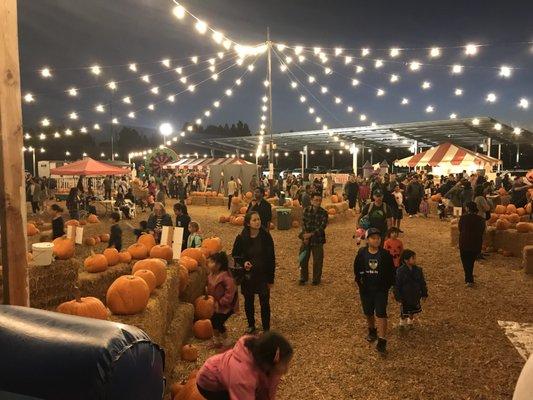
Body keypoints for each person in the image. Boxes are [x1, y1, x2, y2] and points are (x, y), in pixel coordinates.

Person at [196, 331, 293, 399]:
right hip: (209, 382)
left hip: (230, 374)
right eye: (284, 364)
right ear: (269, 362)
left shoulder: (266, 358)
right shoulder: (243, 378)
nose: (286, 370)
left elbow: (268, 391)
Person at [232, 212, 276, 333]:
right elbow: (235, 255)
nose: (258, 222)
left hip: (262, 274)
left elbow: (271, 258)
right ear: (248, 223)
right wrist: (243, 262)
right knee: (249, 300)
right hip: (248, 275)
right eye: (254, 220)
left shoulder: (266, 236)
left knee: (264, 302)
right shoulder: (241, 237)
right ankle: (251, 325)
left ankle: (266, 328)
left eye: (258, 219)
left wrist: (270, 279)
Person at [353, 228, 395, 354]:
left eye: (378, 238)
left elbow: (391, 271)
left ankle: (382, 341)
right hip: (366, 288)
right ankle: (372, 330)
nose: (376, 240)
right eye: (373, 238)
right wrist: (359, 281)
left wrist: (390, 286)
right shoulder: (362, 253)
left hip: (380, 289)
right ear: (367, 240)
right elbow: (357, 267)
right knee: (368, 311)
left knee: (381, 313)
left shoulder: (385, 255)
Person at [206, 251, 238, 349]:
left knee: (219, 323)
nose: (208, 264)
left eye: (211, 262)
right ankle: (217, 341)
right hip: (215, 305)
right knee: (213, 321)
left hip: (226, 306)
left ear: (218, 265)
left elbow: (230, 293)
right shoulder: (211, 275)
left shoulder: (226, 277)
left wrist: (221, 302)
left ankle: (227, 342)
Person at [299, 193, 328, 285]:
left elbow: (322, 227)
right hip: (305, 239)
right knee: (303, 259)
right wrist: (305, 236)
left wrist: (310, 235)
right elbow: (303, 224)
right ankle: (303, 277)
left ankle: (316, 279)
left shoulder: (324, 213)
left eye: (320, 200)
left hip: (317, 239)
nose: (318, 202)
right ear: (311, 201)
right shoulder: (306, 210)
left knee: (318, 261)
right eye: (316, 200)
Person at [394, 249, 428, 329]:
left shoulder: (418, 270)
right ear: (406, 260)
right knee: (404, 310)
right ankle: (402, 322)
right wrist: (397, 296)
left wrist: (424, 293)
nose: (415, 260)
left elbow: (422, 282)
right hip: (405, 295)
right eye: (413, 258)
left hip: (415, 293)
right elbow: (397, 284)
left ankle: (410, 321)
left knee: (413, 309)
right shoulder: (400, 271)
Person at [458, 202, 485, 287]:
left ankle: (468, 279)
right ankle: (470, 276)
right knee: (471, 261)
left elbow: (460, 229)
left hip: (464, 242)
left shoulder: (463, 218)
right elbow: (482, 231)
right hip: (476, 243)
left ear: (468, 208)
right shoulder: (481, 219)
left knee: (465, 261)